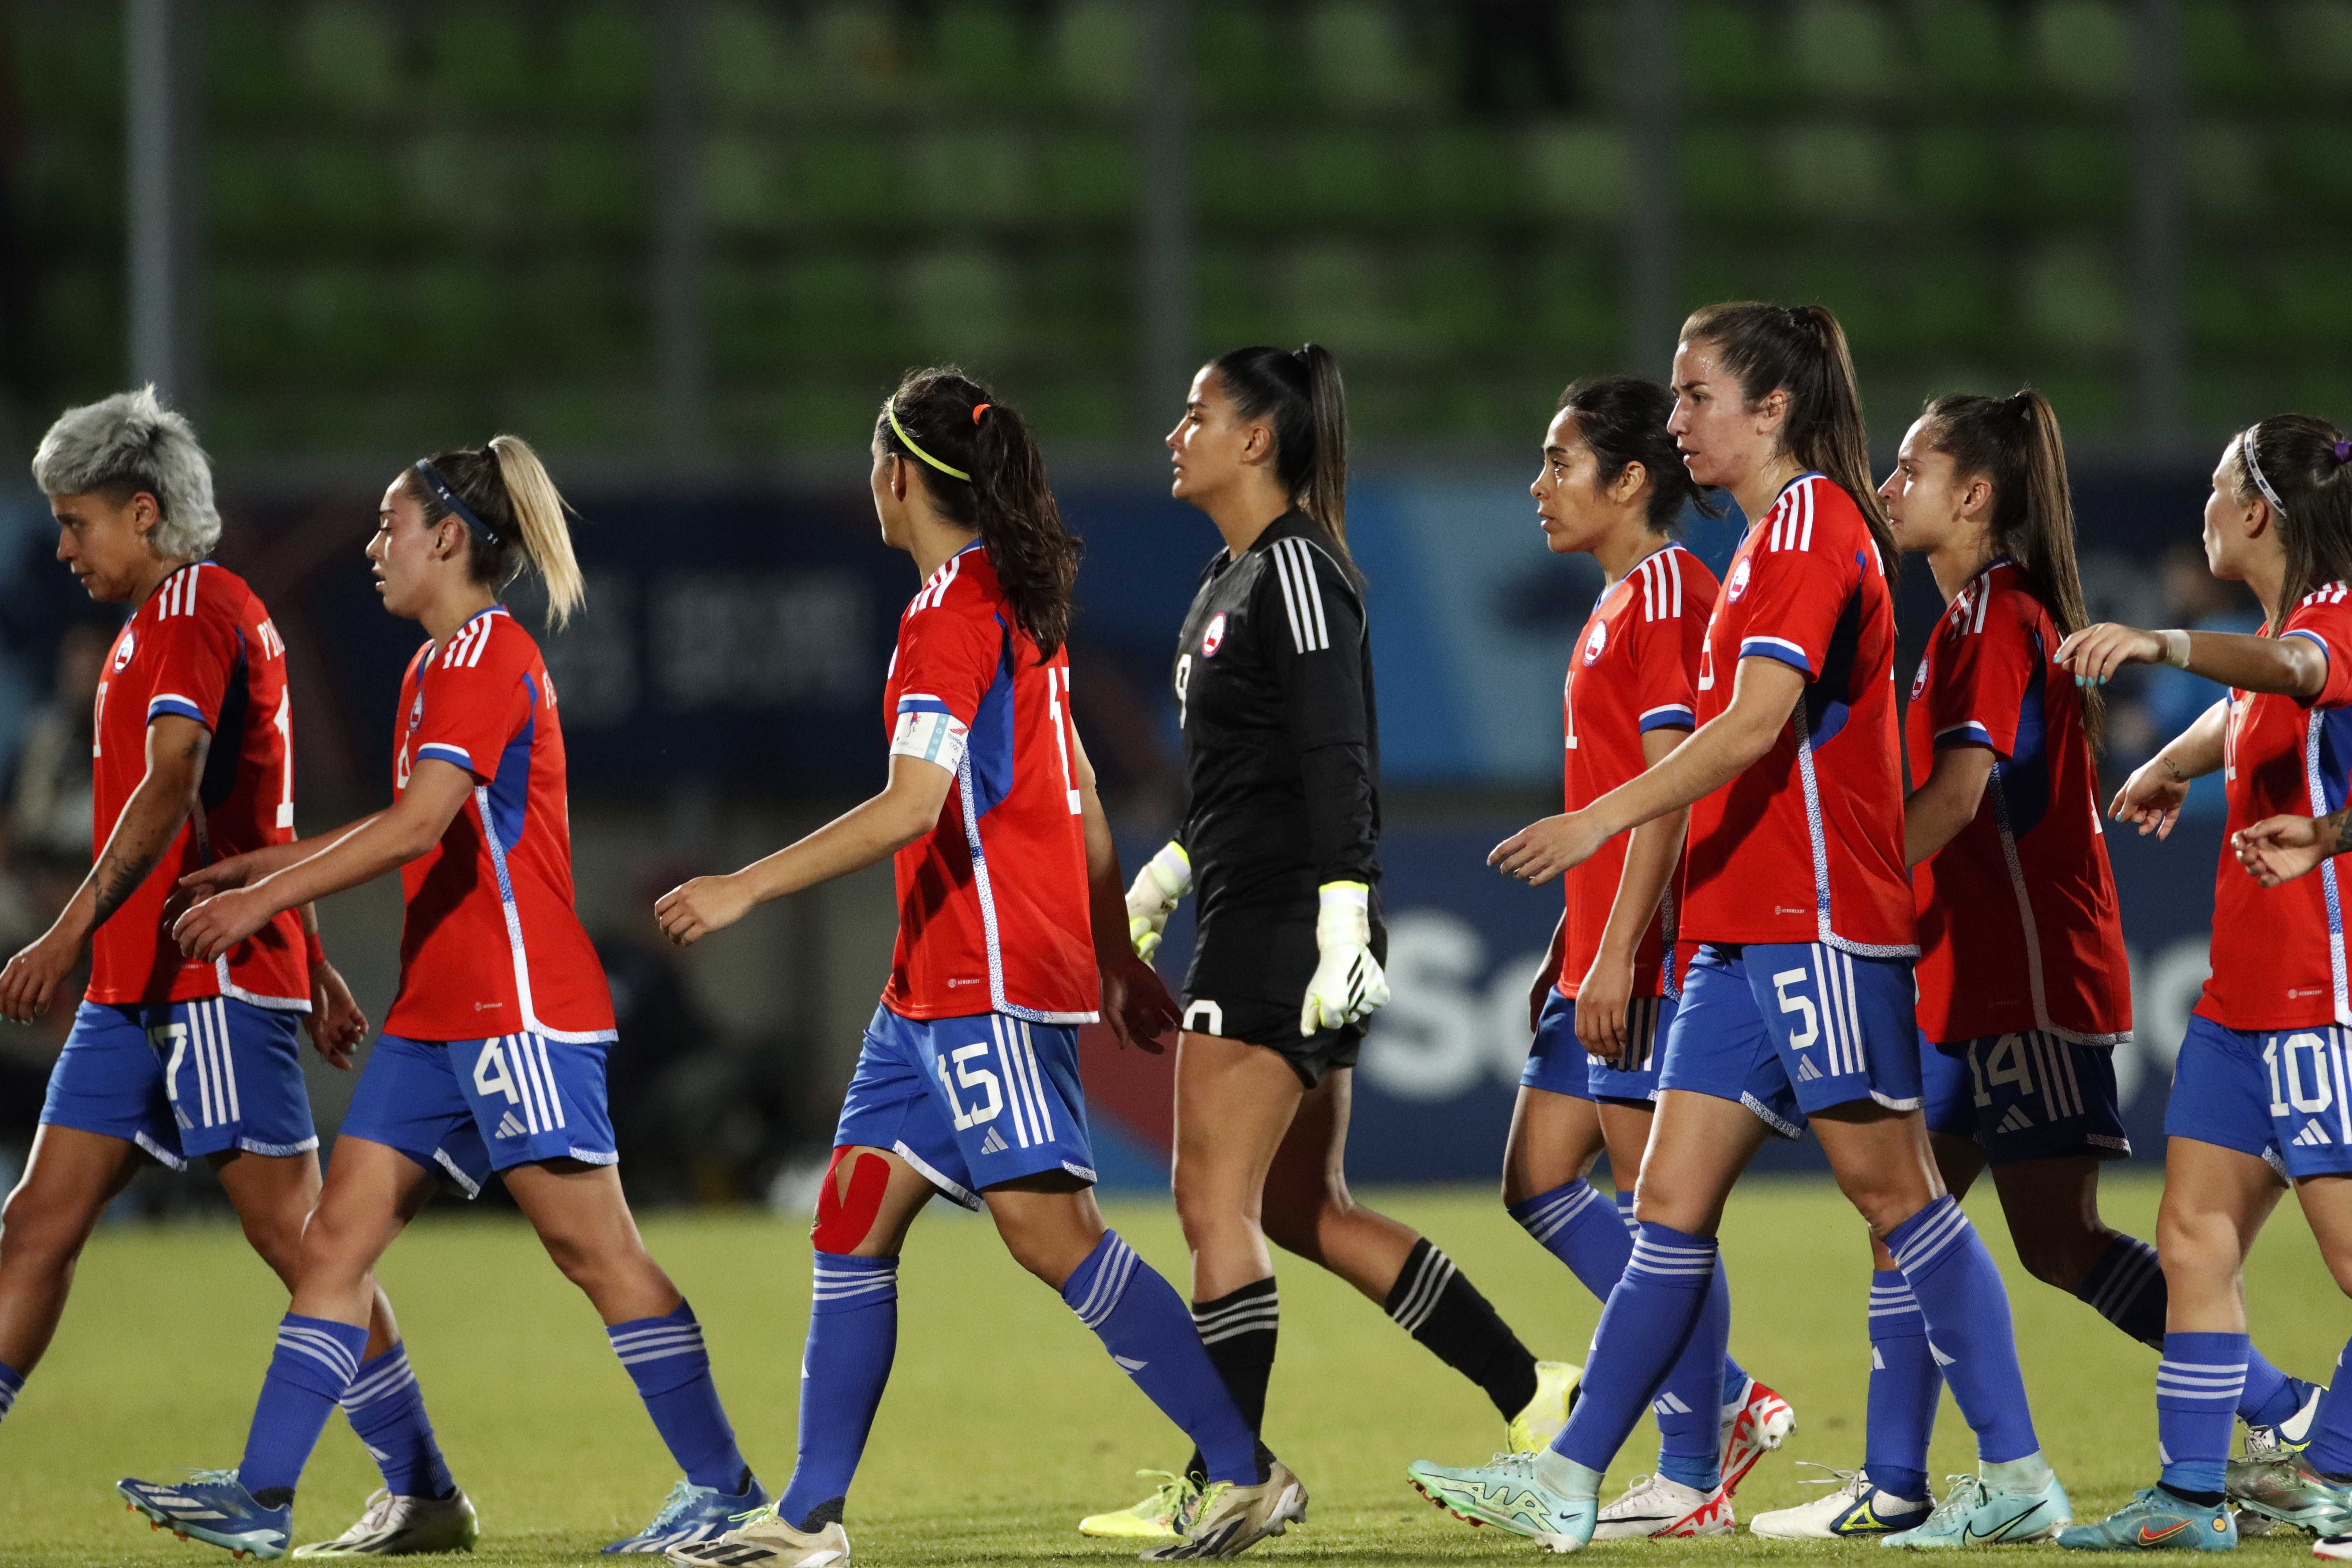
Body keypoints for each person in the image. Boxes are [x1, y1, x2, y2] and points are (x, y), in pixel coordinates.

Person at [1406, 302, 2069, 1551]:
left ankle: (2021, 1469)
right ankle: (1575, 1476)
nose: (1676, 419)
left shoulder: (1815, 525)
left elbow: (1757, 725)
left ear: (1772, 409)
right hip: (1733, 930)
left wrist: (1598, 823)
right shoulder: (1765, 543)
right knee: (1665, 1207)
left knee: (1899, 1198)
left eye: (1697, 394)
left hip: (1815, 923)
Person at [648, 368, 1303, 1568]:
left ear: (902, 475)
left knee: (1055, 1238)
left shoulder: (952, 614)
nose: (869, 478)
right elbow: (1082, 789)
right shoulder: (1007, 592)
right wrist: (1112, 956)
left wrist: (745, 885)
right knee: (850, 1221)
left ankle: (1247, 1470)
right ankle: (807, 1520)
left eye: (874, 458)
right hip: (932, 984)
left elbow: (913, 806)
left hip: (987, 976)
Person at [115, 436, 765, 1558]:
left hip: (517, 1006)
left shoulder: (488, 656)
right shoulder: (435, 667)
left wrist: (262, 901)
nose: (376, 546)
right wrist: (267, 866)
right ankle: (266, 1498)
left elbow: (418, 828)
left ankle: (727, 1491)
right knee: (333, 1247)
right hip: (436, 1015)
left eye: (391, 526)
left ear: (450, 538)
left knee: (595, 1252)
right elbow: (409, 820)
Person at [1753, 391, 2321, 1539]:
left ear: (1975, 495)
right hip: (1968, 981)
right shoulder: (1968, 620)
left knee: (2053, 1239)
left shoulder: (1997, 618)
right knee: (1916, 1221)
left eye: (1910, 468)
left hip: (2024, 982)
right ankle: (1894, 1483)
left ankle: (2285, 1410)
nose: (1888, 486)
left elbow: (1960, 799)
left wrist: (1840, 893)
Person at [1094, 343, 1577, 1543]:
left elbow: (1337, 754)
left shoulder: (1300, 569)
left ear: (1259, 439)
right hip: (1261, 908)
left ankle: (1234, 1473)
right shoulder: (1228, 579)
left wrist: (1345, 915)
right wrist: (1166, 876)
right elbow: (1240, 783)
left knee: (1212, 1201)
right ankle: (1533, 1390)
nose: (1175, 433)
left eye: (1197, 413)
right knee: (1308, 1208)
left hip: (1284, 926)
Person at [0, 389, 473, 1556]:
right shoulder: (169, 619)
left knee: (302, 1242)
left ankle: (422, 1490)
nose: (63, 548)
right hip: (137, 993)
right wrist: (312, 962)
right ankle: (418, 1493)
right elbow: (258, 814)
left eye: (76, 522)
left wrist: (64, 931)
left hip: (203, 984)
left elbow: (178, 786)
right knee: (37, 1226)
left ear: (143, 512)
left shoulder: (194, 610)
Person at [2049, 417, 2352, 1552]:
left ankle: (2340, 1470)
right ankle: (2188, 1501)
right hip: (2240, 1006)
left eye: (2223, 486)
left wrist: (2162, 643)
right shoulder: (2282, 628)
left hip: (2323, 1001)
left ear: (2261, 513)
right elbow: (2260, 697)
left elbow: (2293, 673)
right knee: (2192, 1239)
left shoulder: (2335, 623)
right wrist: (2177, 759)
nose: (2210, 505)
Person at [1501, 374, 1793, 1540]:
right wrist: (1574, 943)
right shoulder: (1621, 599)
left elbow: (1674, 797)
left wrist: (1620, 951)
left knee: (1658, 1215)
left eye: (1560, 462)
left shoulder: (1671, 596)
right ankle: (1725, 1397)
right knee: (1537, 1177)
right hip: (1602, 947)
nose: (1540, 485)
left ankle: (1689, 1466)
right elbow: (1620, 790)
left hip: (1656, 956)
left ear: (1629, 482)